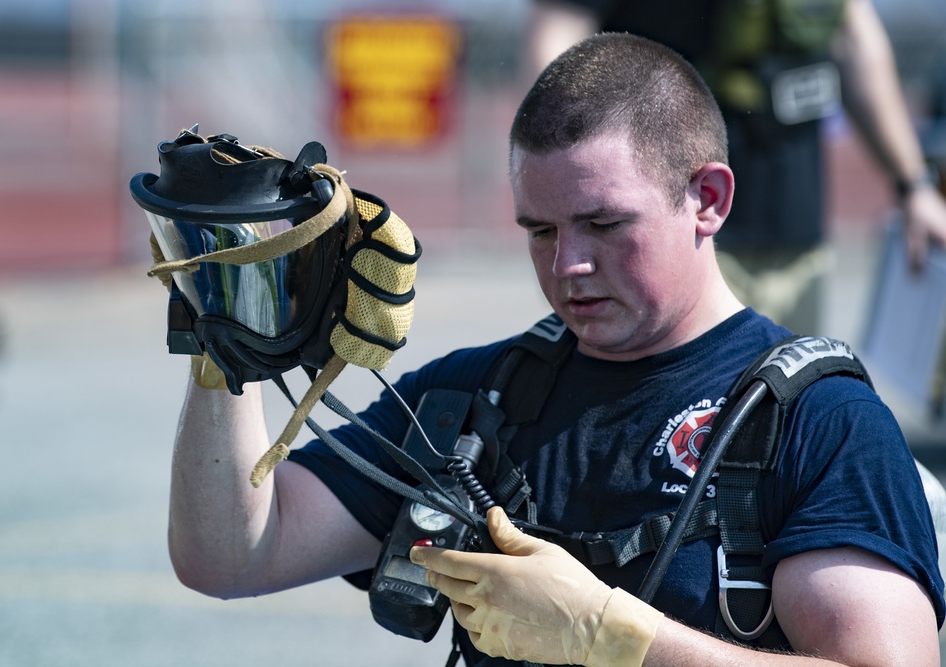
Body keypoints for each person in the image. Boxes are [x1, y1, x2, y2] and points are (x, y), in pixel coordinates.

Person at [165, 33, 943, 666]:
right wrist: (229, 346)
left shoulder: (817, 418)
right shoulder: (475, 395)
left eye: (604, 224)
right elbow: (232, 555)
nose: (567, 263)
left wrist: (619, 638)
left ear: (707, 200)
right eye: (539, 229)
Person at [528, 0, 946, 335]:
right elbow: (557, 35)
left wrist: (914, 186)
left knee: (789, 418)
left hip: (796, 234)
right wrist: (581, 185)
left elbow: (853, 37)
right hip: (672, 236)